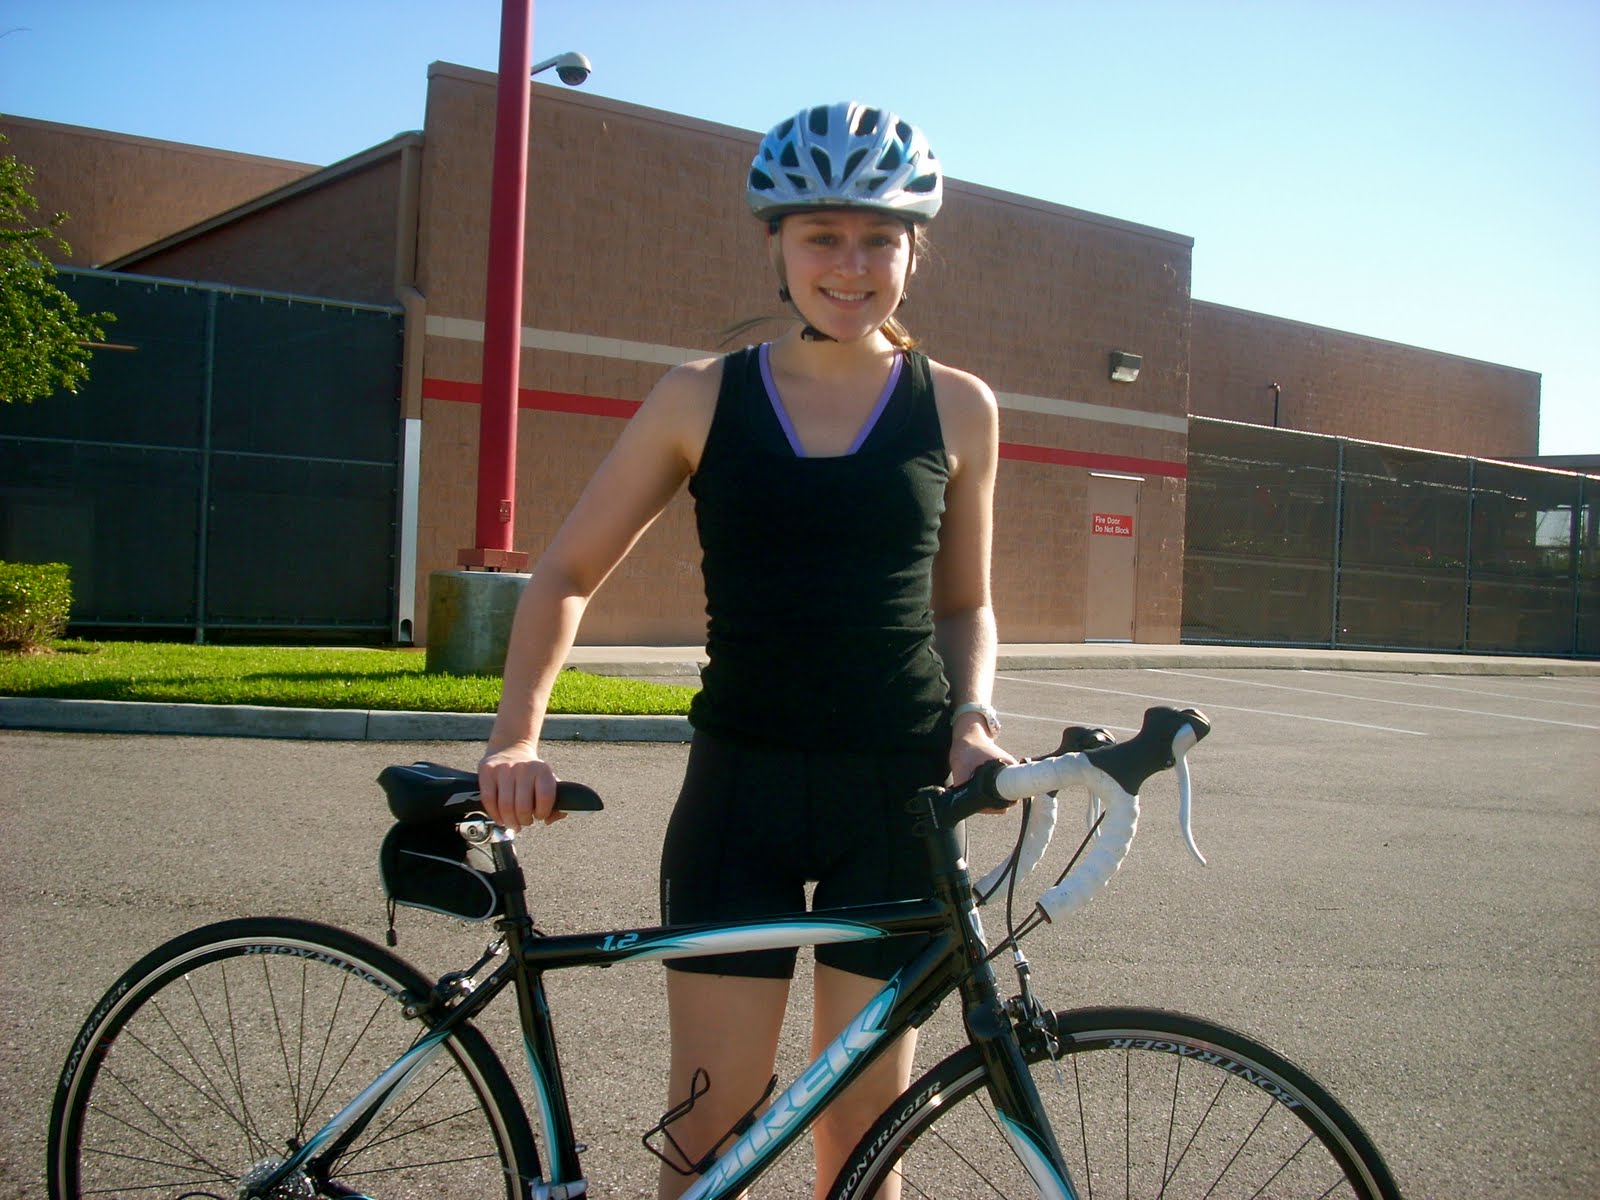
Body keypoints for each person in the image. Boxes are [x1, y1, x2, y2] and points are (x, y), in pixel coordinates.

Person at [477, 100, 1012, 1200]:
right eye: (823, 236)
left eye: (878, 239)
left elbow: (965, 604)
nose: (850, 265)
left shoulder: (960, 408)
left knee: (861, 1126)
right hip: (741, 793)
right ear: (776, 244)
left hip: (897, 795)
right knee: (713, 1119)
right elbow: (565, 572)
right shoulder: (699, 397)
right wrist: (516, 736)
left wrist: (973, 716)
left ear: (915, 251)